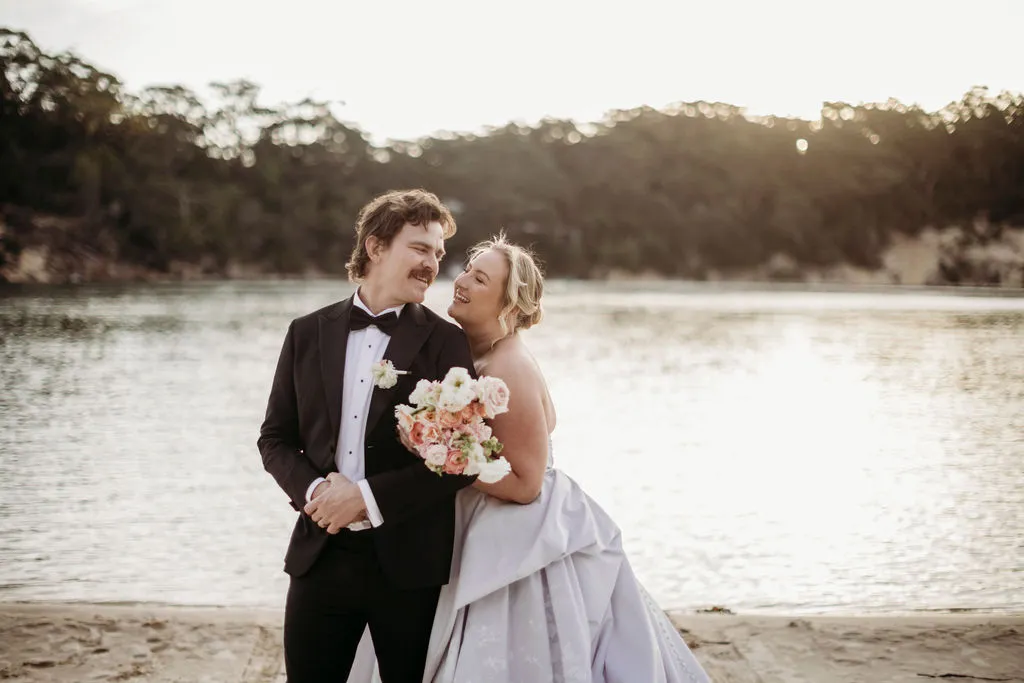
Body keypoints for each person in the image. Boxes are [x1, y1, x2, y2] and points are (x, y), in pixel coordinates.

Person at [346, 234, 712, 682]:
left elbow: (526, 484)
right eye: (466, 270)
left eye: (479, 279)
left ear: (509, 306)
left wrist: (437, 456)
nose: (460, 281)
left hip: (519, 537)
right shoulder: (472, 356)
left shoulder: (509, 368)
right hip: (477, 518)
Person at [257, 189, 477, 683]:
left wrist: (366, 498)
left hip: (408, 564)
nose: (432, 263)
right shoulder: (306, 332)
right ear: (376, 248)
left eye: (438, 254)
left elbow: (460, 460)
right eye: (420, 248)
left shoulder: (446, 342)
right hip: (320, 553)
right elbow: (274, 438)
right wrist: (316, 494)